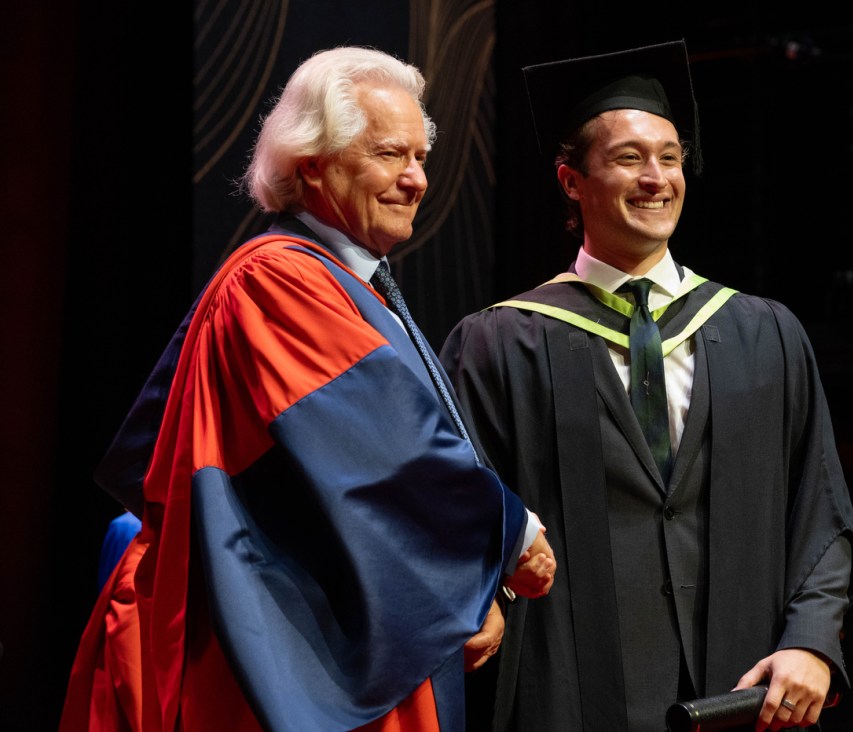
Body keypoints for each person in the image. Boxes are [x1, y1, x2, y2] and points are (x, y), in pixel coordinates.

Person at [60, 45, 556, 732]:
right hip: (290, 654)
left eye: (421, 158)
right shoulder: (279, 280)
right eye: (390, 155)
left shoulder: (348, 284)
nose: (415, 180)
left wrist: (457, 587)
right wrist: (507, 531)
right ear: (312, 163)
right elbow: (385, 451)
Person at [440, 40, 853, 732]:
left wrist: (812, 641)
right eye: (629, 158)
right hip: (568, 695)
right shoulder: (500, 343)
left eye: (669, 158)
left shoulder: (766, 335)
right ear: (570, 180)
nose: (656, 178)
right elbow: (455, 512)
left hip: (741, 689)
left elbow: (821, 513)